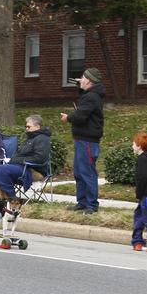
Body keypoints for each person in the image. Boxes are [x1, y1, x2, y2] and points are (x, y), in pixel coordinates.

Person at [60, 67, 105, 213]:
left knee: (87, 173)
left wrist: (68, 118)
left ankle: (91, 205)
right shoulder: (91, 95)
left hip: (88, 141)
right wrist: (80, 86)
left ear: (90, 81)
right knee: (79, 173)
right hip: (82, 140)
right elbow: (84, 101)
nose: (80, 79)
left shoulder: (92, 97)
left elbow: (80, 116)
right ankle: (82, 202)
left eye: (83, 77)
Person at [0, 114, 51, 200]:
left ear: (37, 126)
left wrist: (17, 160)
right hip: (22, 167)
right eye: (26, 127)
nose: (26, 129)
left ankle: (12, 198)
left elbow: (39, 159)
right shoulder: (30, 138)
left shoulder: (42, 139)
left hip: (34, 170)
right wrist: (13, 160)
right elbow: (19, 154)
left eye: (28, 127)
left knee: (1, 170)